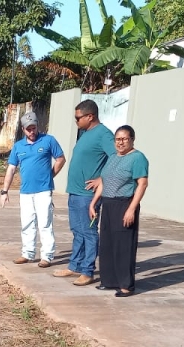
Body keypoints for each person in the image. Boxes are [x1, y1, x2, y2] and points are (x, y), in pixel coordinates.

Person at [56, 100, 115, 287]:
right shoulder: (85, 133)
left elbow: (117, 158)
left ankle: (87, 271)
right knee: (77, 231)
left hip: (88, 195)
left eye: (78, 118)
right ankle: (74, 265)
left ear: (90, 116)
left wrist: (101, 179)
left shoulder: (104, 134)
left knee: (88, 232)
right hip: (75, 192)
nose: (76, 121)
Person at [0, 112, 66, 267]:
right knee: (27, 223)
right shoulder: (18, 146)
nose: (31, 131)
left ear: (37, 127)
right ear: (23, 129)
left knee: (45, 224)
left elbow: (61, 159)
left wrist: (50, 175)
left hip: (43, 190)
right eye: (28, 129)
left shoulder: (48, 140)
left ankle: (47, 256)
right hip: (25, 192)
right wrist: (4, 191)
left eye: (33, 128)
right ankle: (27, 253)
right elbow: (11, 169)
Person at [90, 125, 148, 297]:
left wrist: (131, 209)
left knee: (123, 246)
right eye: (117, 139)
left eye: (124, 139)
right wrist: (93, 203)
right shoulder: (113, 157)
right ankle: (109, 281)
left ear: (132, 139)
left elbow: (142, 184)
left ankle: (125, 285)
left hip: (124, 204)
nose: (120, 143)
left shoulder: (138, 158)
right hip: (108, 204)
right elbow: (104, 182)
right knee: (107, 244)